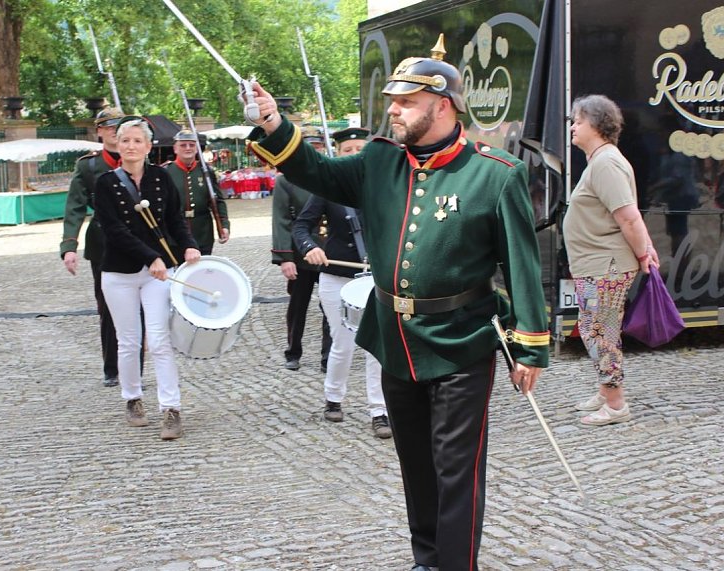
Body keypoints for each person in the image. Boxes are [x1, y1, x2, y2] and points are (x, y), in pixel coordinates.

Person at [246, 35, 548, 571]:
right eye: (393, 100)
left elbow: (521, 260)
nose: (393, 110)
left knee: (457, 471)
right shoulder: (377, 164)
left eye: (406, 101)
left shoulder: (495, 173)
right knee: (416, 466)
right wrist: (273, 123)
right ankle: (426, 560)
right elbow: (312, 170)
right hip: (395, 340)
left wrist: (529, 344)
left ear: (444, 104)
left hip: (461, 342)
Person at [94, 117, 201, 440]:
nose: (130, 146)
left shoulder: (161, 178)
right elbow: (114, 231)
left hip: (159, 273)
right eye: (125, 140)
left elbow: (174, 220)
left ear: (148, 146)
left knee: (159, 340)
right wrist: (150, 257)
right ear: (117, 144)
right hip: (118, 272)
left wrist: (190, 248)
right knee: (128, 341)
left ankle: (171, 409)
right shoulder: (105, 183)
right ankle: (132, 398)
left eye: (137, 141)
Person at [563, 94, 660, 427]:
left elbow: (628, 216)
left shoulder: (606, 162)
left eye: (578, 120)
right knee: (593, 330)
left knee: (600, 334)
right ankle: (606, 391)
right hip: (596, 266)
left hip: (605, 268)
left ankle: (616, 404)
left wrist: (644, 250)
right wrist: (645, 245)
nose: (573, 126)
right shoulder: (601, 160)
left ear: (596, 124)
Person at [291, 127, 390, 439]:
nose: (355, 154)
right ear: (339, 154)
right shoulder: (328, 189)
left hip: (375, 279)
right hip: (336, 278)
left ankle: (380, 411)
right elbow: (301, 227)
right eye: (348, 150)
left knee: (379, 348)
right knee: (342, 342)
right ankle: (333, 398)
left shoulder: (386, 188)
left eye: (360, 148)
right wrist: (311, 248)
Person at [60, 107, 129, 388]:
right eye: (108, 126)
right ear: (99, 131)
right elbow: (75, 206)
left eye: (120, 126)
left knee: (138, 307)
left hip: (139, 241)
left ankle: (133, 367)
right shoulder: (88, 166)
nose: (114, 131)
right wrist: (69, 246)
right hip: (103, 243)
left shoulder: (139, 159)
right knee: (109, 307)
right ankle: (112, 367)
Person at [271, 126, 332, 372]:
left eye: (318, 147)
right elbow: (282, 220)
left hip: (330, 252)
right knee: (298, 305)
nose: (314, 151)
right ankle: (293, 351)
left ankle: (328, 357)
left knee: (330, 305)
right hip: (300, 252)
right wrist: (285, 258)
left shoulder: (331, 175)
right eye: (310, 147)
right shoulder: (287, 180)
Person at [163, 130, 230, 254]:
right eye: (183, 145)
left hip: (202, 232)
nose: (188, 148)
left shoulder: (206, 171)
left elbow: (217, 200)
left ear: (197, 148)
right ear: (175, 149)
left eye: (192, 145)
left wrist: (224, 225)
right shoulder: (166, 171)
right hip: (174, 234)